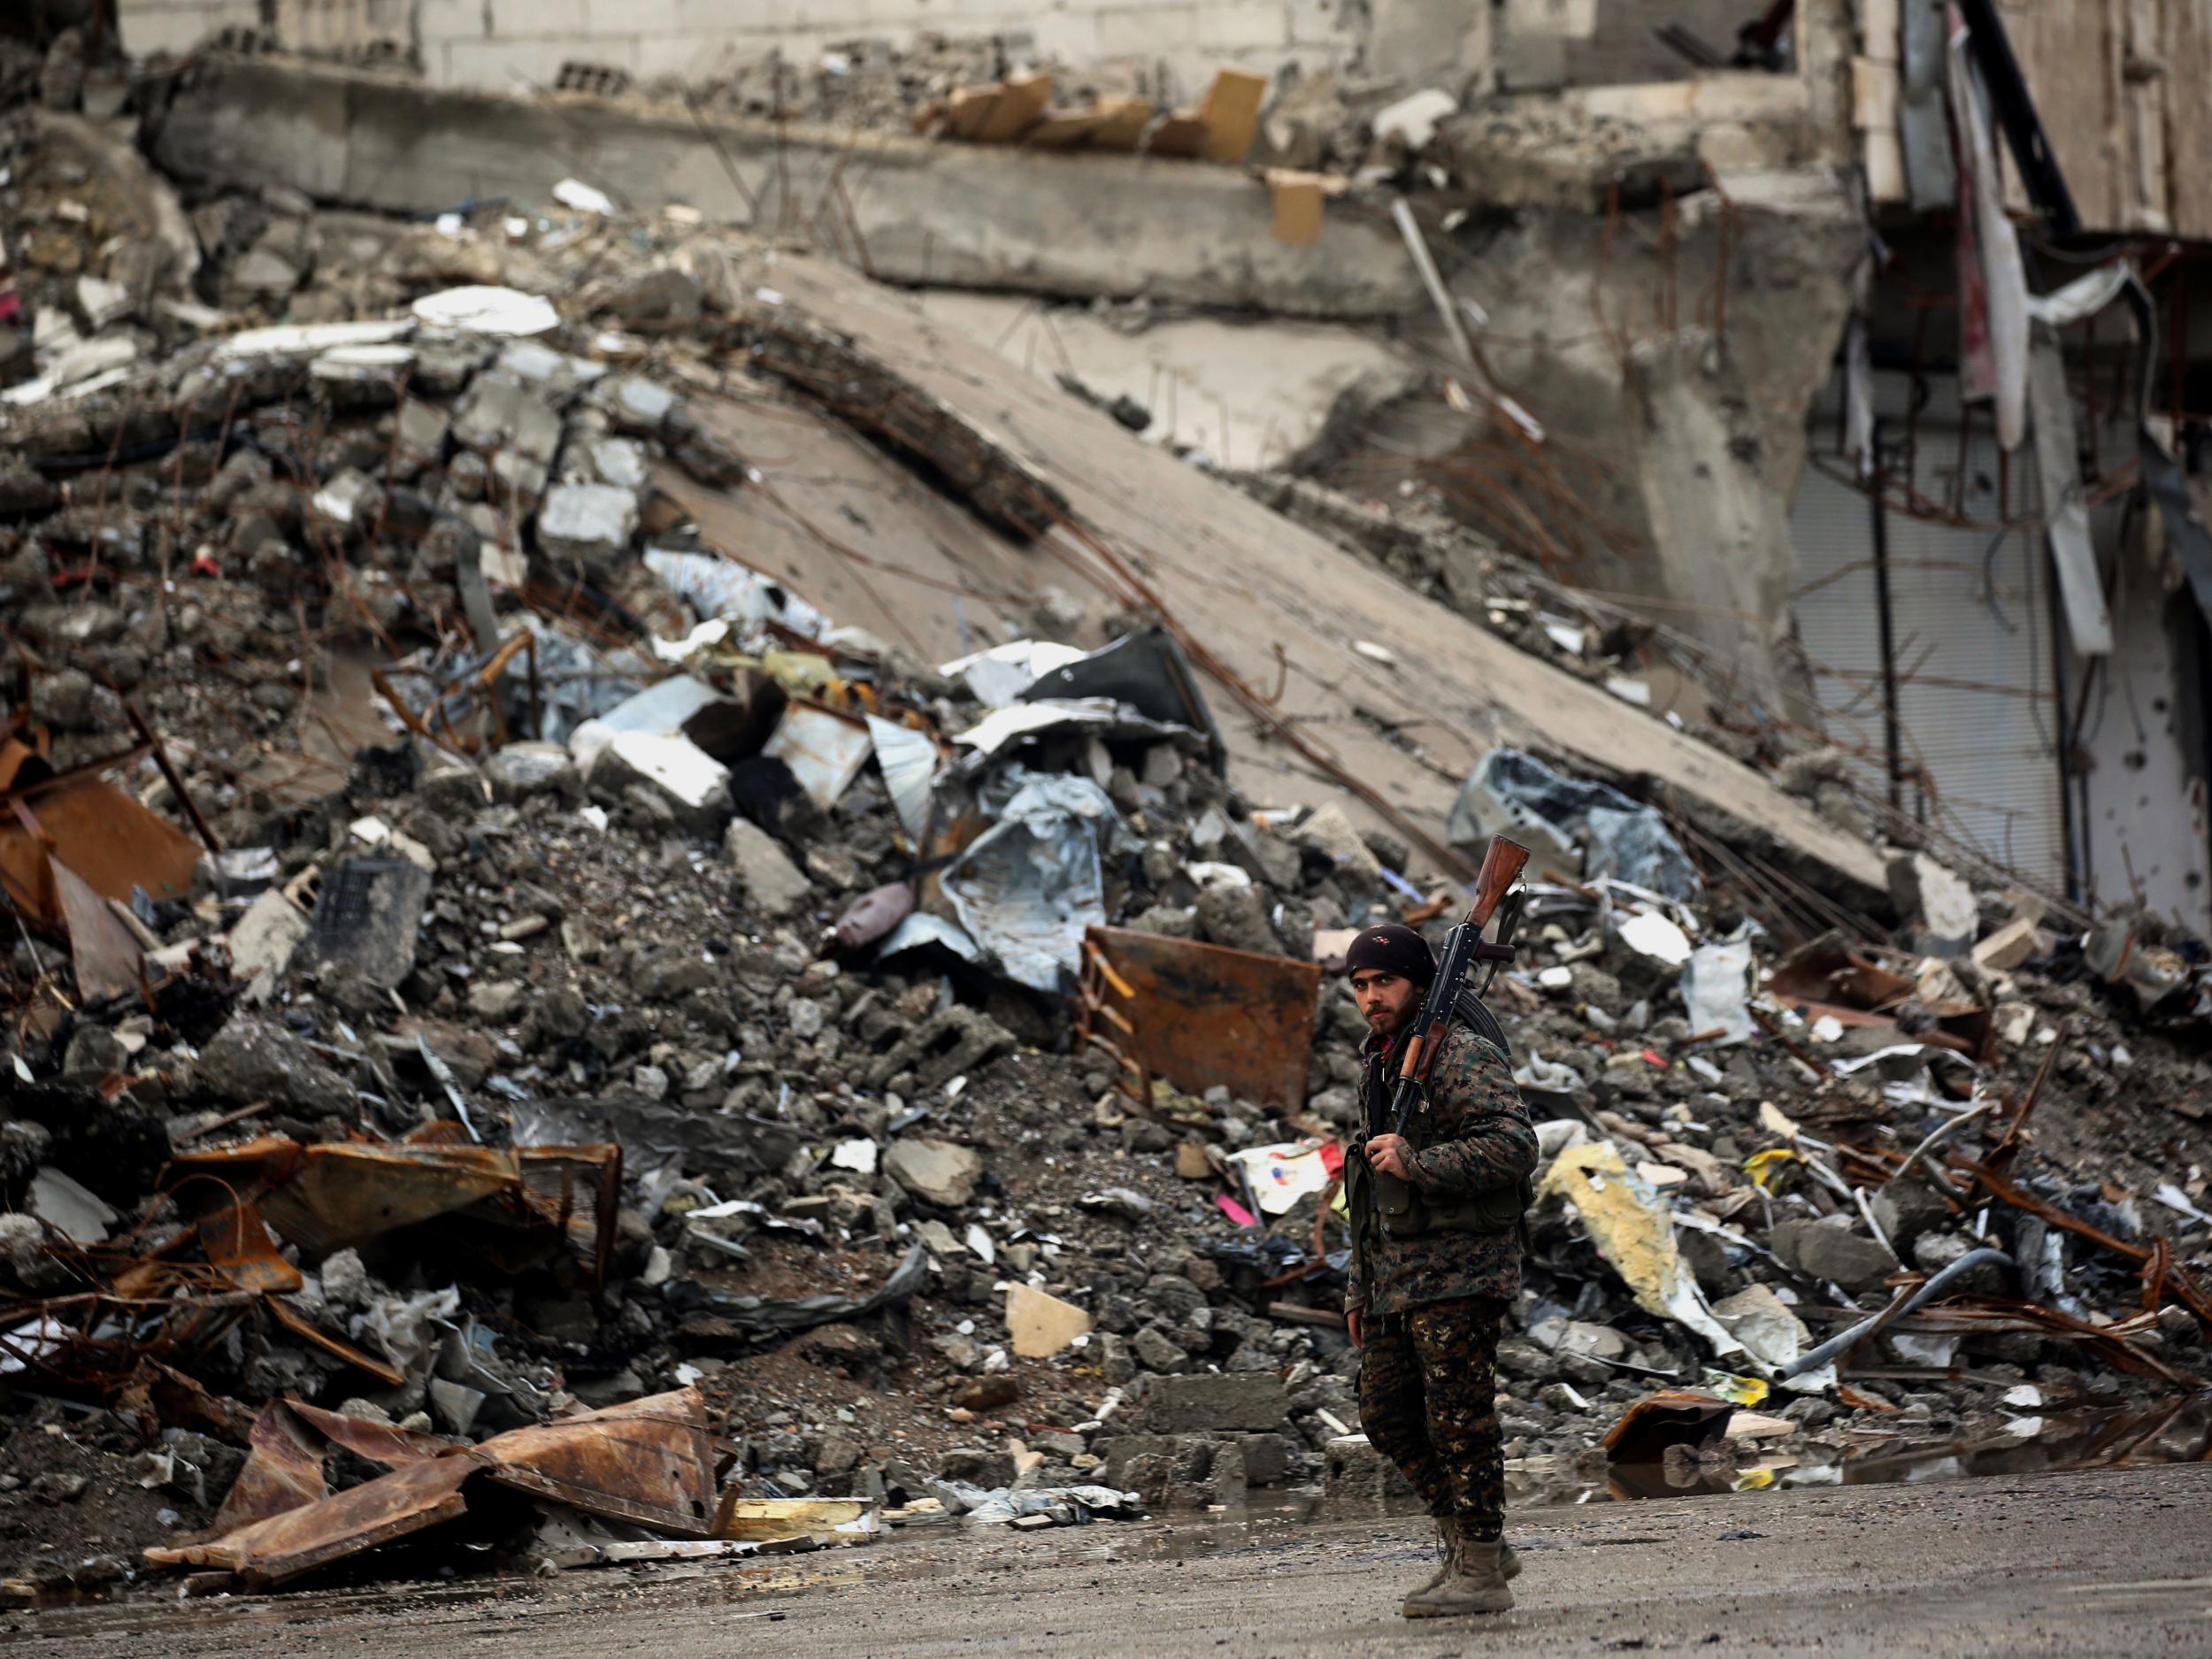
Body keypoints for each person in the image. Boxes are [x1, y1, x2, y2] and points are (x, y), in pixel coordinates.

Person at [1340, 922, 1538, 1617]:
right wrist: (1359, 1287)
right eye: (1360, 985)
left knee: (1460, 1419)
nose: (1371, 996)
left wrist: (1419, 1163)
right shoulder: (1380, 1062)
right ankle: (1470, 1542)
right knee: (1386, 1413)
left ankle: (1480, 1567)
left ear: (1418, 984)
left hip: (1461, 1269)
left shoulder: (1457, 1052)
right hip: (1397, 1275)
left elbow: (1515, 1144)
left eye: (1383, 982)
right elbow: (1363, 1191)